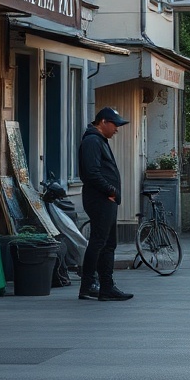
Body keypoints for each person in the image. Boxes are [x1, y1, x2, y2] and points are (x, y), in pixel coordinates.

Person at [77, 106, 134, 302]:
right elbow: (92, 173)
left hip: (104, 198)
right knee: (100, 242)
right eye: (115, 124)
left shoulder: (98, 140)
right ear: (103, 122)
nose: (117, 129)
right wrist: (110, 190)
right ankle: (91, 285)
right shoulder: (93, 140)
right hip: (100, 199)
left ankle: (105, 286)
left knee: (107, 243)